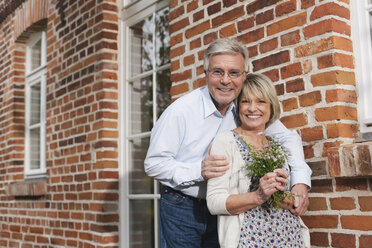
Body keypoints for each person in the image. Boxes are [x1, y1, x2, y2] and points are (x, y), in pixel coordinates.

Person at [144, 38, 311, 248]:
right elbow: (153, 164)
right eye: (217, 72)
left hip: (230, 207)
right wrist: (199, 170)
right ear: (206, 74)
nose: (225, 80)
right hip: (183, 205)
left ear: (244, 75)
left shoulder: (245, 108)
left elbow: (288, 137)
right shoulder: (180, 112)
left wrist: (300, 184)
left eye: (233, 73)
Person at [207, 73, 310, 248]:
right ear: (238, 106)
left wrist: (292, 198)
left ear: (271, 106)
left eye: (261, 101)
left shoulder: (277, 145)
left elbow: (280, 199)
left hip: (289, 237)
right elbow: (214, 202)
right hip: (250, 239)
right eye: (245, 101)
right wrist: (257, 196)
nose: (252, 108)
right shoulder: (225, 141)